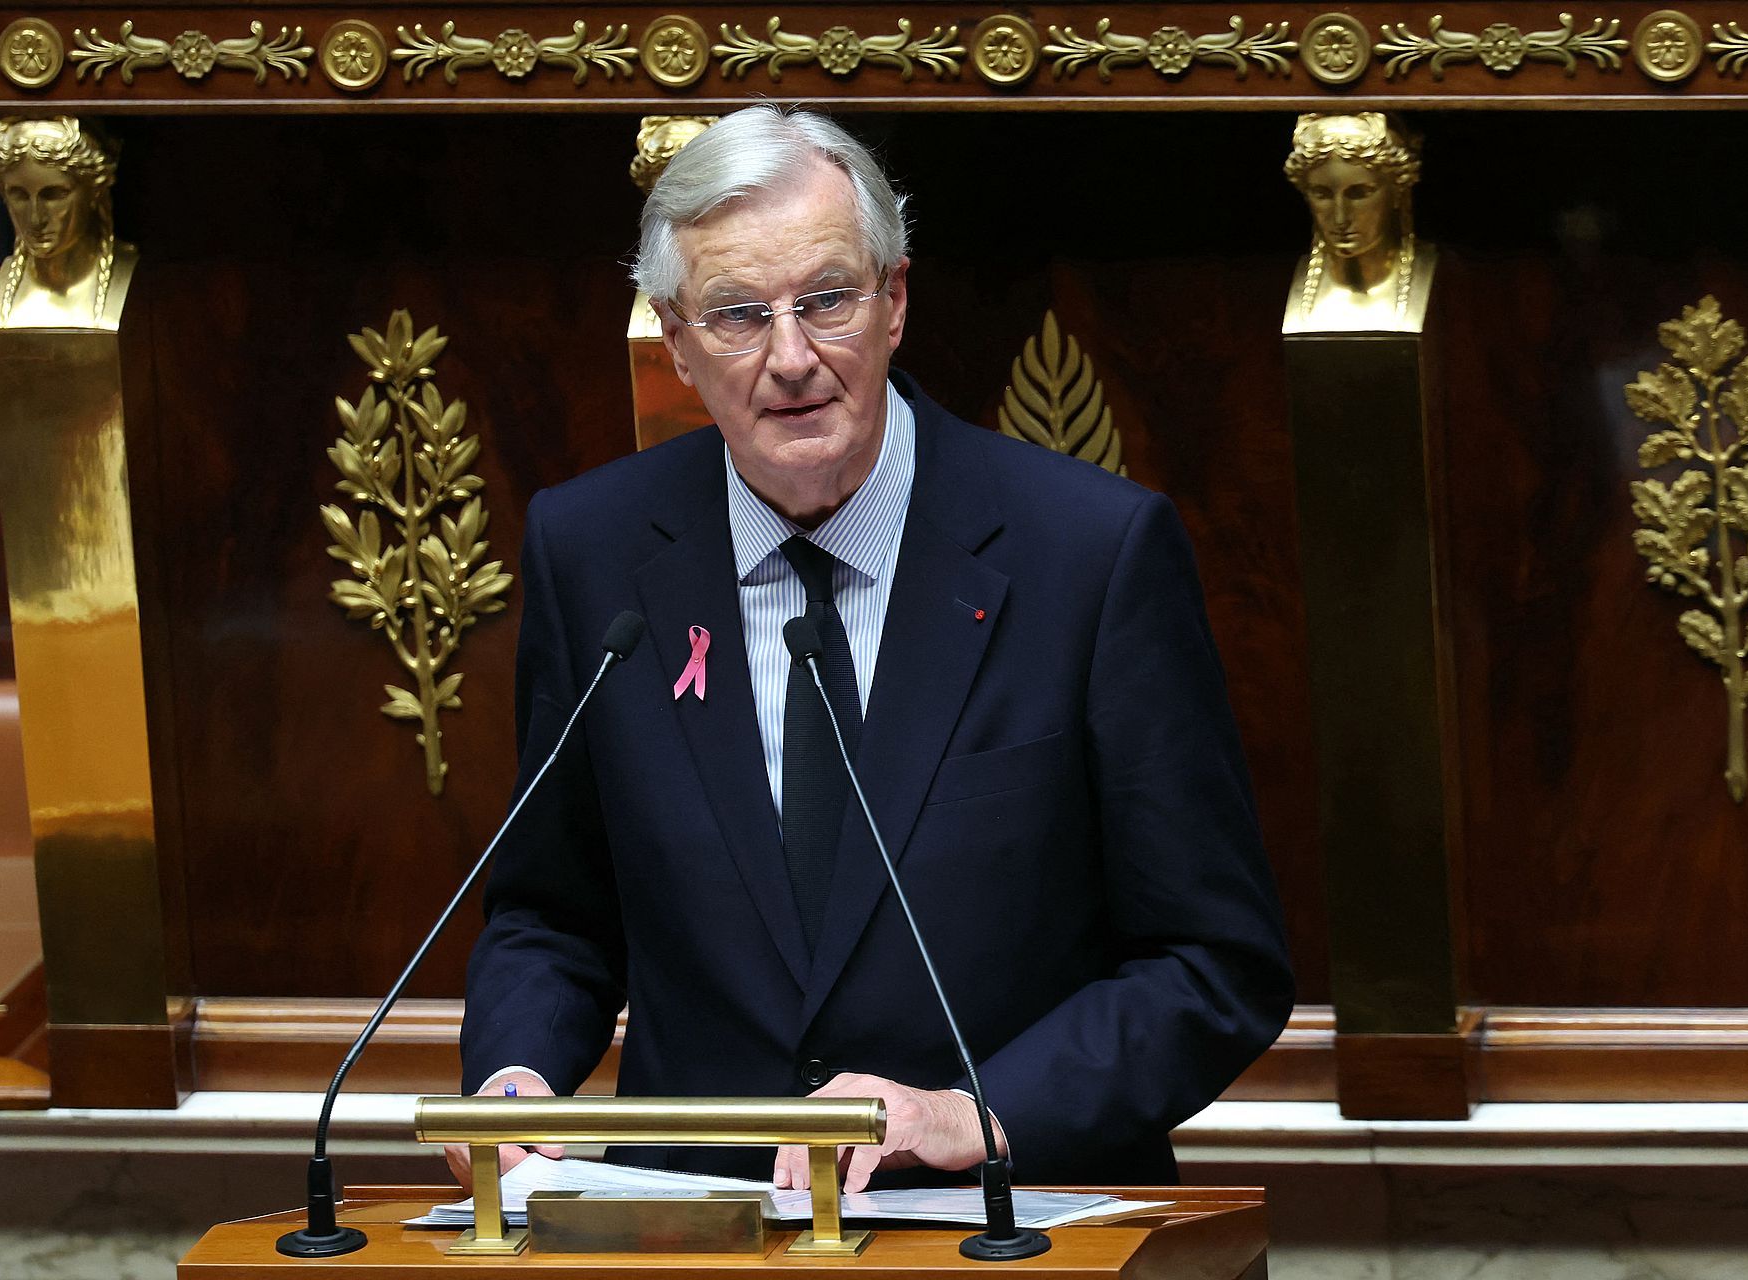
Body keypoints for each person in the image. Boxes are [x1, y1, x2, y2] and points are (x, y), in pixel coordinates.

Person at [454, 105, 1292, 1194]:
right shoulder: (596, 551)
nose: (791, 357)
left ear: (896, 301)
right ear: (676, 339)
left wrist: (973, 1112)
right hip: (705, 1229)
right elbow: (552, 909)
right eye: (740, 315)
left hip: (1008, 1226)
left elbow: (1213, 962)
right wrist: (516, 1070)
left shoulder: (1088, 555)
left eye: (829, 301)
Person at [1282, 112, 1427, 331]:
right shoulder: (1280, 283)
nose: (1340, 218)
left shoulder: (1445, 280)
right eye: (1321, 194)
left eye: (1359, 193)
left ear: (1398, 192)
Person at [0, 116, 130, 330]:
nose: (35, 218)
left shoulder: (129, 277)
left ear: (95, 191)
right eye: (19, 195)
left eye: (53, 195)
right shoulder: (6, 291)